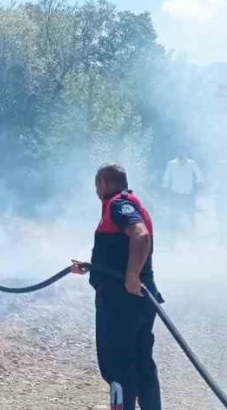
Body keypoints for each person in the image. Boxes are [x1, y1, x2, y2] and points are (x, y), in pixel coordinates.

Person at [73, 163, 163, 410]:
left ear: (102, 182)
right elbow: (120, 251)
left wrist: (132, 276)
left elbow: (140, 235)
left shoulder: (117, 205)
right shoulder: (126, 203)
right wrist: (91, 266)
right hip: (138, 299)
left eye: (96, 185)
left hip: (122, 302)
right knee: (142, 364)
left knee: (117, 367)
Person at [161, 152, 202, 244]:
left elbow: (198, 176)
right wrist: (165, 189)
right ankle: (172, 242)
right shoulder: (171, 164)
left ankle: (193, 242)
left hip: (189, 194)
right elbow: (166, 178)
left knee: (191, 218)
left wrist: (198, 188)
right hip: (175, 195)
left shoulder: (192, 163)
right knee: (174, 219)